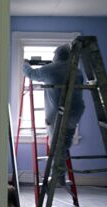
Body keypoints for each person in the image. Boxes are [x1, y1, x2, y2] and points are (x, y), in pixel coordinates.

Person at [22, 44, 85, 185]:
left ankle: (58, 178)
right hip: (76, 111)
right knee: (65, 142)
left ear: (56, 55)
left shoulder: (50, 69)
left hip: (58, 114)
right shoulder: (78, 71)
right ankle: (60, 175)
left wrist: (25, 64)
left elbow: (31, 74)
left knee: (56, 145)